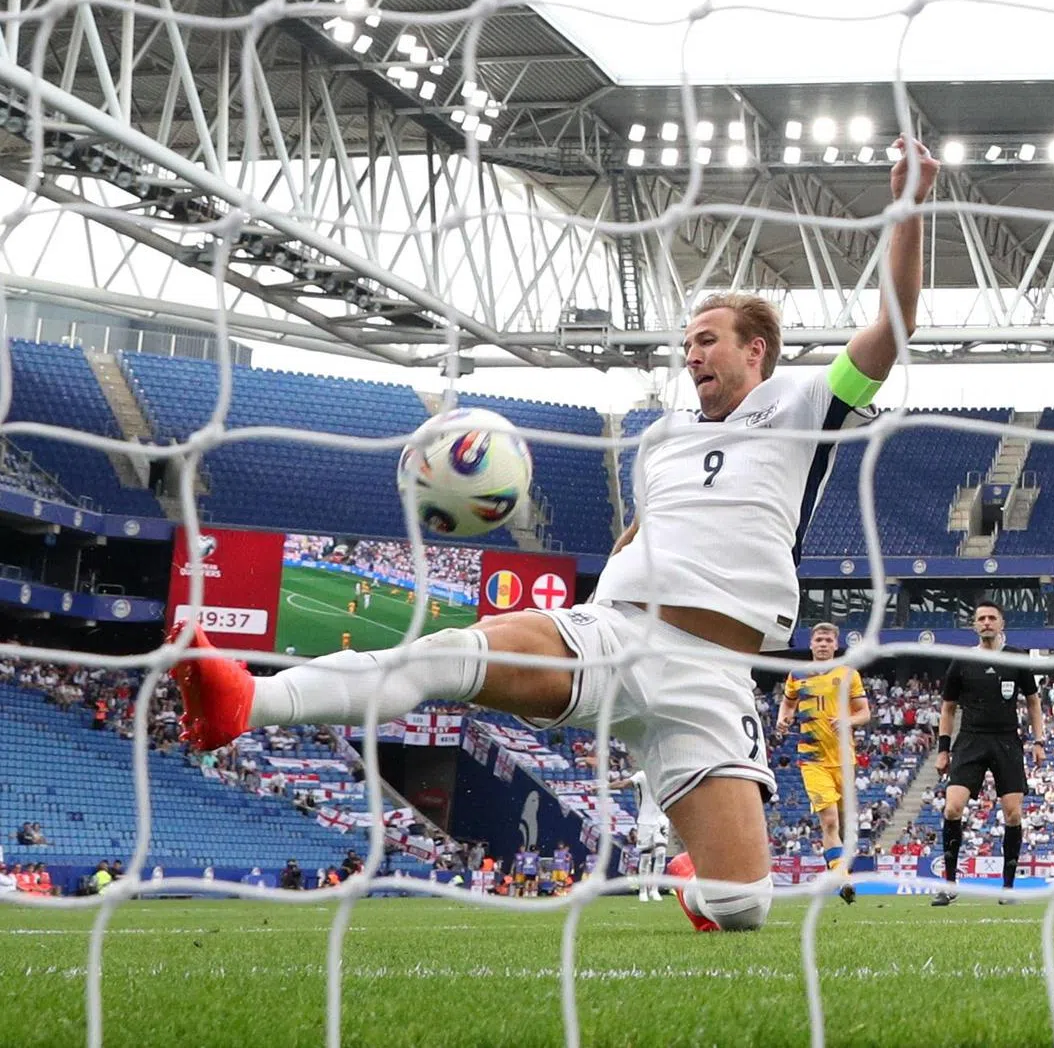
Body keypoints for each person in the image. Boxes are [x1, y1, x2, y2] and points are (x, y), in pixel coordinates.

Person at [168, 140, 939, 933]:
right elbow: (644, 531)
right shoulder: (659, 440)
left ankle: (692, 876)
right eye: (686, 343)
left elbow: (895, 322)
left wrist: (908, 207)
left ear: (756, 350)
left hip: (712, 678)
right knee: (448, 656)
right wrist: (588, 607)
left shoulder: (806, 404)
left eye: (708, 338)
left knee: (741, 908)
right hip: (614, 636)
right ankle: (247, 699)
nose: (691, 353)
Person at [932, 600, 1045, 907]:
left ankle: (1007, 888)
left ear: (1001, 623)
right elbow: (948, 708)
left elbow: (1033, 703)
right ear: (974, 625)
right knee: (952, 808)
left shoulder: (1017, 658)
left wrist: (1039, 741)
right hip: (970, 740)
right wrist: (943, 750)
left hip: (1007, 740)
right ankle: (950, 884)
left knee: (1013, 812)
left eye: (991, 618)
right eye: (980, 618)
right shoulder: (962, 661)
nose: (986, 622)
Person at [775, 622, 871, 904]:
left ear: (835, 645)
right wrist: (784, 718)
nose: (823, 644)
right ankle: (842, 879)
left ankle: (838, 867)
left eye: (828, 640)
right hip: (811, 758)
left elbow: (864, 712)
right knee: (829, 820)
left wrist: (848, 720)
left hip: (843, 758)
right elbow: (788, 703)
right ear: (812, 643)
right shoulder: (797, 675)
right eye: (818, 639)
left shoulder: (848, 674)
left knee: (840, 822)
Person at [610, 770, 670, 902]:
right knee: (645, 857)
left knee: (661, 854)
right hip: (645, 820)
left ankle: (655, 889)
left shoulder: (664, 773)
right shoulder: (642, 775)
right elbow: (624, 784)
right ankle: (643, 890)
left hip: (661, 819)